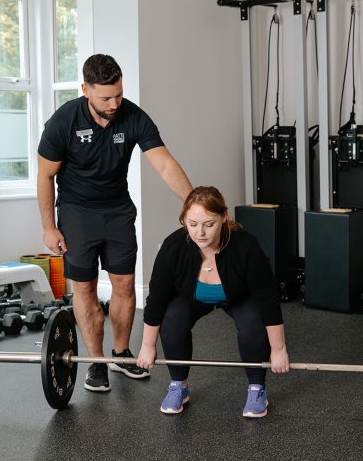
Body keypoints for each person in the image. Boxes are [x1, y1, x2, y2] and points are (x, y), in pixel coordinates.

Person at [37, 54, 192, 393]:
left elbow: (165, 164)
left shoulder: (133, 116)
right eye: (105, 97)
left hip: (118, 210)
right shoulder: (63, 121)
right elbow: (45, 176)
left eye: (118, 95)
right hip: (77, 213)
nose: (114, 103)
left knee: (124, 284)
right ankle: (96, 362)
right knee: (86, 288)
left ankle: (121, 354)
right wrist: (49, 226)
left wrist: (194, 202)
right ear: (85, 90)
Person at [137, 186, 290, 418]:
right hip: (192, 297)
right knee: (172, 318)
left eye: (209, 224)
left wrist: (279, 349)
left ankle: (257, 388)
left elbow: (268, 299)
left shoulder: (245, 245)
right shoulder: (173, 247)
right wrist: (147, 346)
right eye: (192, 224)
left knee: (252, 321)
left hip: (237, 296)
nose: (200, 233)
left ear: (224, 217)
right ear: (184, 220)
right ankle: (179, 385)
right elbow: (156, 300)